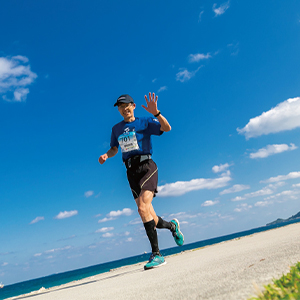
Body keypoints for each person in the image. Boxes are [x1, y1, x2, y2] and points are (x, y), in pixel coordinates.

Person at [99, 92, 184, 270]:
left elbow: (167, 128)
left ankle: (157, 254)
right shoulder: (116, 129)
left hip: (147, 167)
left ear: (133, 106)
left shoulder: (145, 121)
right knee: (149, 216)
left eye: (126, 105)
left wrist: (157, 113)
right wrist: (107, 154)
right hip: (130, 172)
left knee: (142, 208)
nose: (124, 109)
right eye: (120, 107)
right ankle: (172, 226)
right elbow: (115, 148)